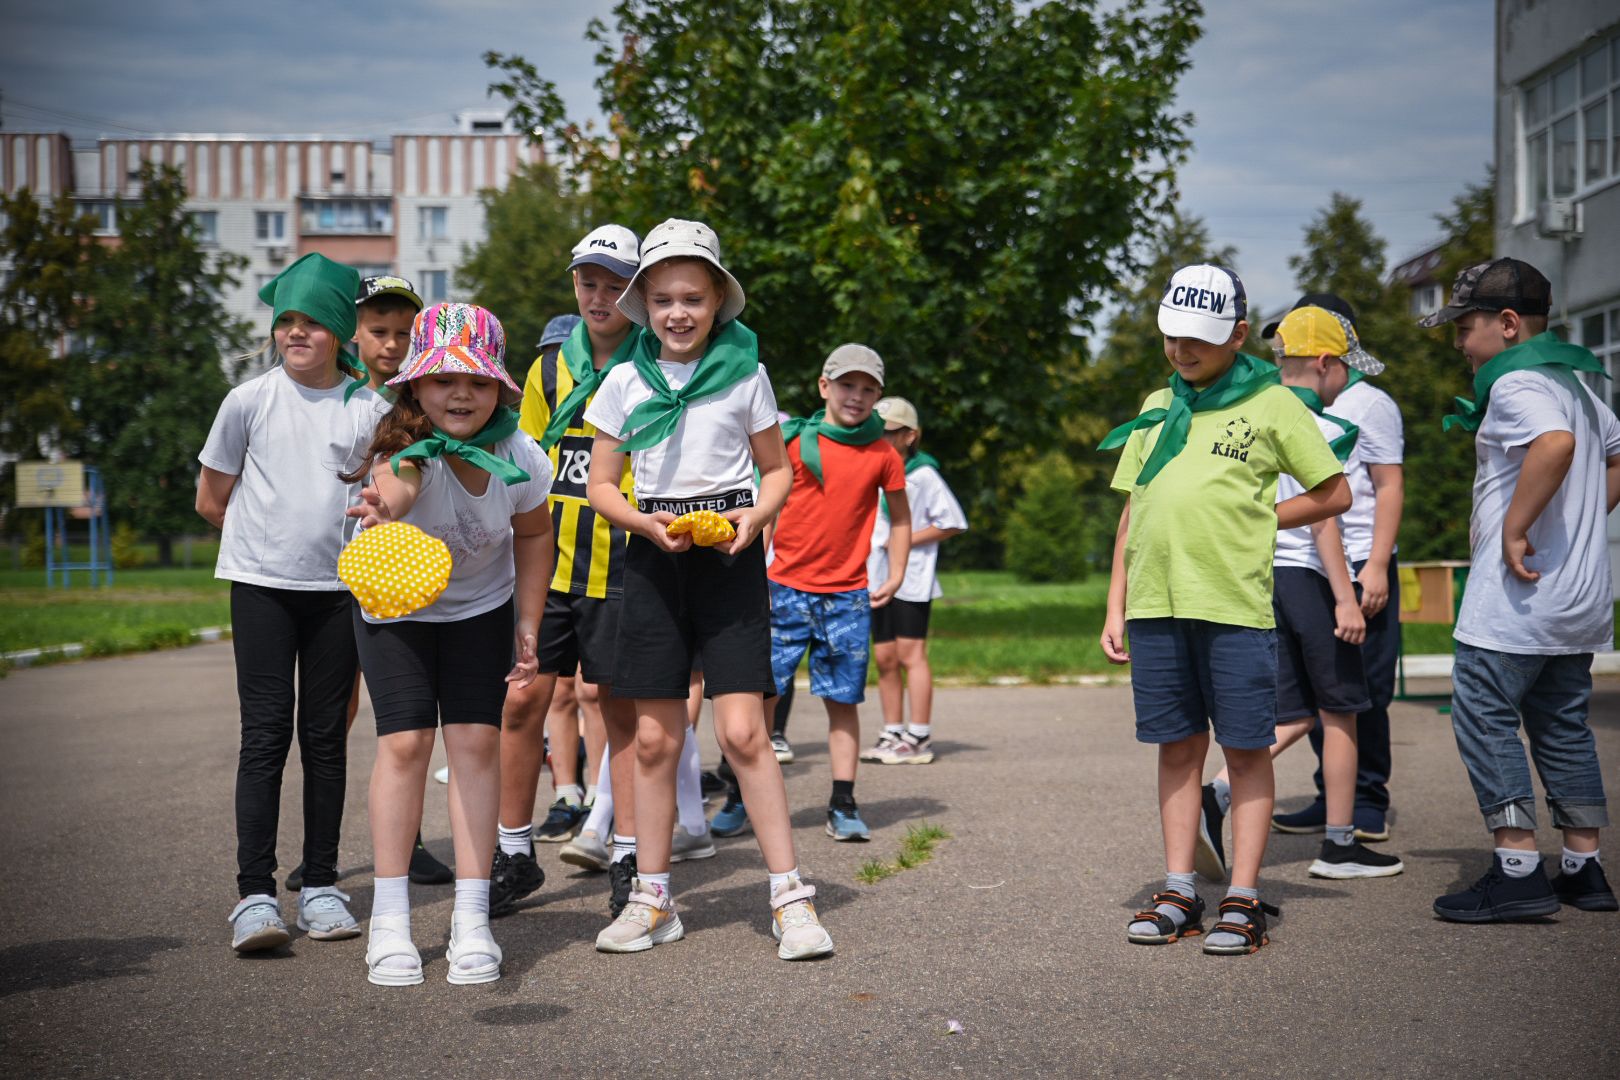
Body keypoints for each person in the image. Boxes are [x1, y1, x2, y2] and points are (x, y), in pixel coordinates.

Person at [583, 217, 833, 959]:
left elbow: (779, 468)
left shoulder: (746, 375)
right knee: (657, 739)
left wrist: (754, 518)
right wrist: (645, 525)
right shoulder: (624, 381)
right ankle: (652, 897)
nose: (678, 313)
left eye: (693, 297)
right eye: (662, 300)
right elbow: (601, 484)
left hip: (728, 555)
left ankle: (791, 897)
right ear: (644, 305)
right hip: (656, 555)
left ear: (718, 299)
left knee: (744, 732)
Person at [1098, 264, 1349, 955]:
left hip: (1233, 605)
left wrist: (1262, 516)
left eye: (1199, 341)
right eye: (1173, 338)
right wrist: (1116, 602)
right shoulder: (1157, 402)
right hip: (1156, 605)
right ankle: (1181, 888)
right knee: (1177, 747)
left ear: (1239, 335)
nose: (1183, 352)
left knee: (1244, 751)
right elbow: (1134, 508)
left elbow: (1334, 492)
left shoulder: (1272, 404)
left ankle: (1242, 897)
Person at [344, 302, 555, 985]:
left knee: (473, 744)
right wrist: (382, 507)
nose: (459, 392)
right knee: (405, 744)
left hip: (480, 610)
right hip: (393, 604)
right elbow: (397, 488)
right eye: (441, 380)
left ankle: (471, 920)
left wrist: (528, 623)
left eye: (476, 379)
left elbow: (533, 535)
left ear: (498, 388)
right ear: (415, 387)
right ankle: (391, 923)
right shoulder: (398, 448)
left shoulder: (521, 455)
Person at [1418, 258, 1618, 921]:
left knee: (1484, 714)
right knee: (1562, 727)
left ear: (1507, 325)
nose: (1459, 343)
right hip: (1577, 599)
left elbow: (1554, 447)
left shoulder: (1518, 385)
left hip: (1519, 601)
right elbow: (1608, 453)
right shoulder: (1580, 389)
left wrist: (1516, 526)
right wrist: (1582, 519)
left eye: (1466, 327)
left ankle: (1518, 868)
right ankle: (1584, 870)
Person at [196, 252, 381, 952]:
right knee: (266, 735)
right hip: (263, 590)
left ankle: (324, 887)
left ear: (339, 330)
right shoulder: (247, 401)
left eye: (311, 322)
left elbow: (389, 493)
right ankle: (254, 896)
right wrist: (265, 546)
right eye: (286, 322)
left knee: (326, 738)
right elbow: (212, 499)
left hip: (339, 594)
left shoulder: (371, 408)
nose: (296, 334)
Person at [1201, 306, 1404, 882]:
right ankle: (1339, 845)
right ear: (1325, 363)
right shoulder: (1316, 422)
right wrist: (1346, 593)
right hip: (1316, 575)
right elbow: (1325, 519)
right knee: (1341, 711)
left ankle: (1215, 793)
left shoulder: (1257, 407)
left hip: (1272, 577)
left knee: (1296, 711)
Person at [282, 274, 453, 892]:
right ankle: (317, 852)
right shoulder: (341, 397)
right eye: (378, 332)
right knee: (330, 717)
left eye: (405, 334)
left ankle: (407, 844)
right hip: (332, 578)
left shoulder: (420, 403)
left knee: (402, 716)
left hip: (399, 578)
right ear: (354, 333)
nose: (391, 344)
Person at [496, 227, 646, 921]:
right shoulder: (548, 367)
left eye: (616, 283)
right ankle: (514, 853)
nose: (600, 295)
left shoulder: (655, 366)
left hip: (623, 568)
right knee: (523, 702)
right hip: (548, 569)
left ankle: (629, 857)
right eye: (589, 281)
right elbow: (523, 463)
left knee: (619, 712)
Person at [711, 345, 910, 842]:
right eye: (847, 385)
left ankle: (843, 802)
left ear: (879, 398)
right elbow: (768, 508)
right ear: (825, 387)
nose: (857, 397)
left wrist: (897, 572)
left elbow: (902, 518)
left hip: (847, 597)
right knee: (762, 697)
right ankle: (738, 794)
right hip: (784, 590)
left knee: (842, 701)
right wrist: (754, 566)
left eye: (868, 389)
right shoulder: (796, 443)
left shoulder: (883, 453)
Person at [1263, 294, 1405, 843]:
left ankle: (1367, 799)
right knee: (1325, 693)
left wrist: (1375, 567)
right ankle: (1332, 798)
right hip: (1313, 564)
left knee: (1360, 689)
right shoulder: (1285, 403)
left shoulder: (1371, 404)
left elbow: (1388, 487)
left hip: (1358, 559)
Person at [864, 395, 968, 765]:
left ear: (910, 435)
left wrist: (903, 539)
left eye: (889, 432)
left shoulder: (923, 475)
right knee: (885, 656)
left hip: (911, 578)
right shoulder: (872, 468)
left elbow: (953, 521)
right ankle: (892, 730)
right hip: (875, 576)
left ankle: (919, 735)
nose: (881, 438)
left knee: (911, 655)